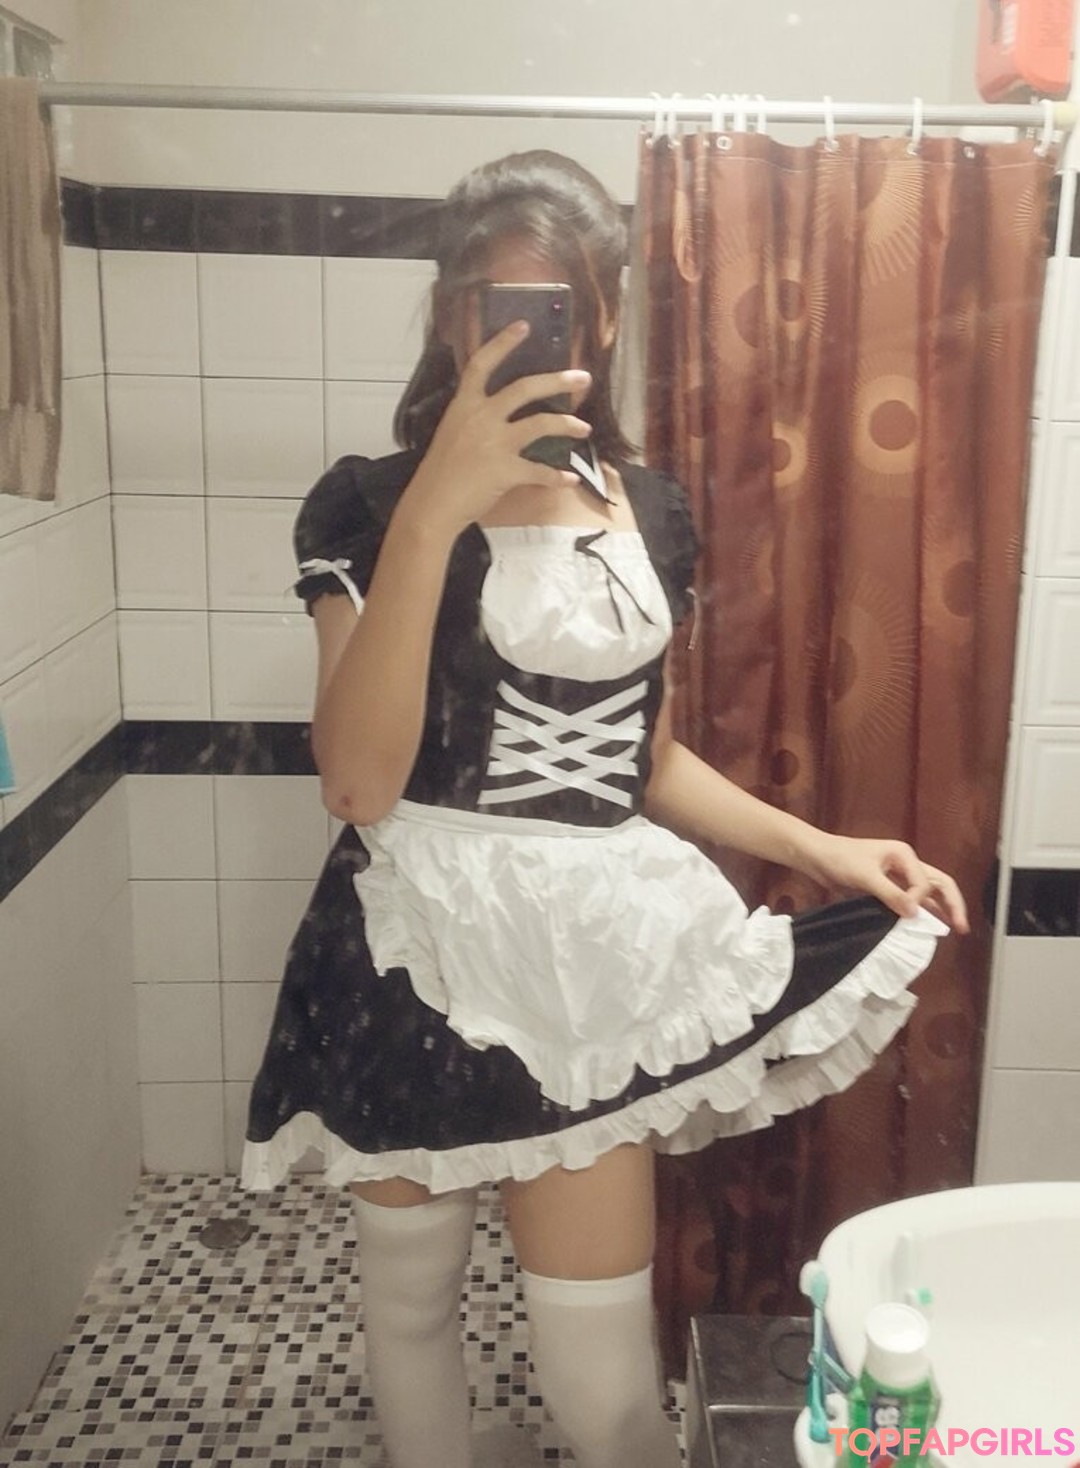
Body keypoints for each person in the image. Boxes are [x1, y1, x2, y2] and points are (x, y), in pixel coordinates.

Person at [242, 150, 968, 1468]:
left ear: (611, 317)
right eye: (491, 307)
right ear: (450, 319)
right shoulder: (368, 503)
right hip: (411, 949)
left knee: (603, 1384)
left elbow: (649, 759)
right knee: (410, 1310)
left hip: (589, 962)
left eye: (558, 305)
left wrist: (826, 849)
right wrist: (434, 514)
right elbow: (357, 783)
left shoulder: (656, 512)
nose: (519, 334)